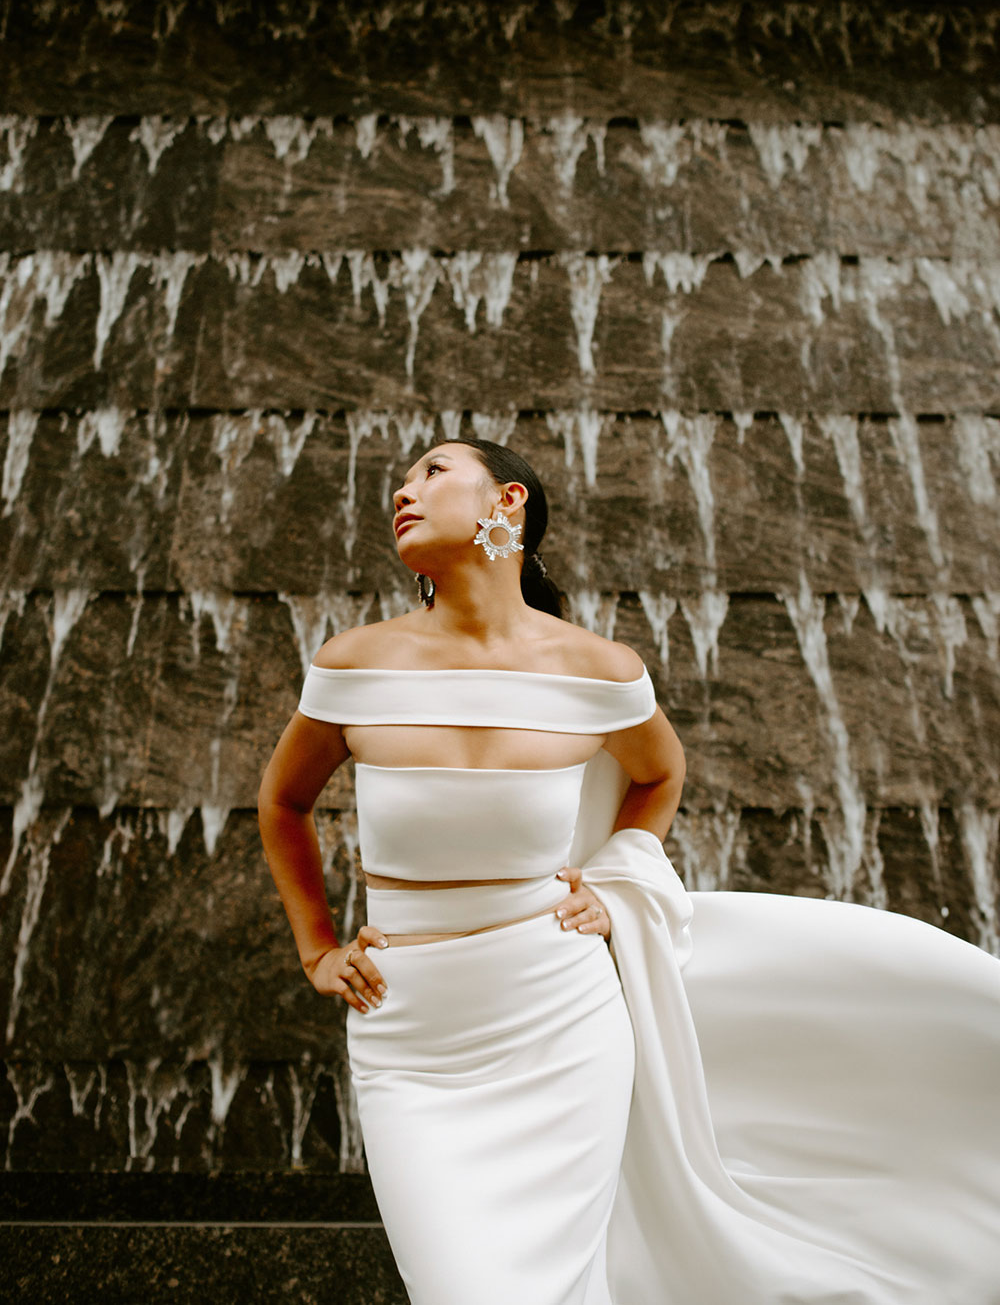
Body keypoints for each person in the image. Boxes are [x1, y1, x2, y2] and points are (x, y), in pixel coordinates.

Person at [258, 437, 1000, 1305]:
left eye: (433, 471)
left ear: (509, 504)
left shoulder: (599, 669)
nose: (403, 489)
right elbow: (283, 804)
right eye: (402, 477)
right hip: (411, 1037)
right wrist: (315, 948)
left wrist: (614, 878)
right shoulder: (355, 662)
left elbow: (659, 775)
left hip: (559, 1019)